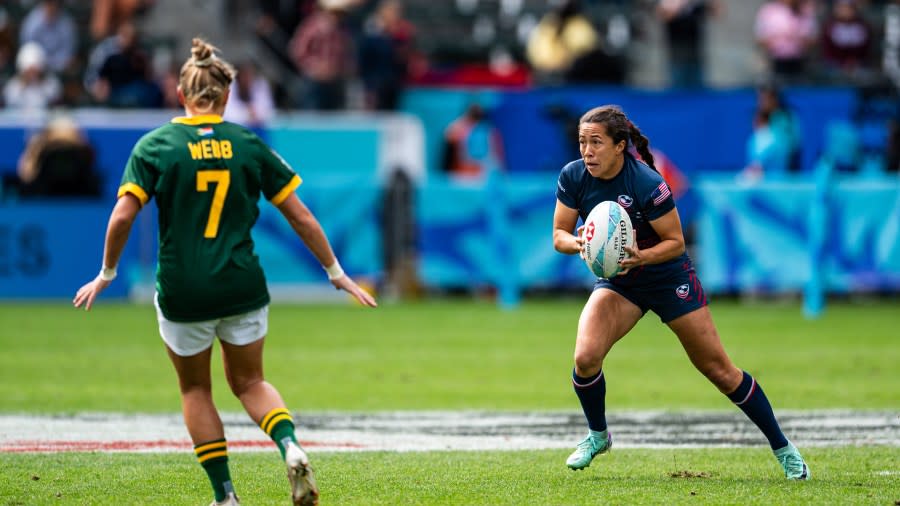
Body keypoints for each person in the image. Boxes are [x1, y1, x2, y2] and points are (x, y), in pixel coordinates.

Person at [73, 38, 377, 506]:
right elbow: (301, 216)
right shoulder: (248, 144)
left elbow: (121, 217)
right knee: (251, 382)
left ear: (180, 95)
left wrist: (107, 272)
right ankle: (289, 446)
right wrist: (335, 271)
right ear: (226, 96)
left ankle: (226, 496)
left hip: (183, 288)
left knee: (196, 387)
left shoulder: (154, 146)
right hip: (241, 284)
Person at [552, 105, 809, 480]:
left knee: (719, 370)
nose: (587, 151)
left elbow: (676, 242)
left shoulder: (646, 182)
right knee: (585, 357)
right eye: (582, 143)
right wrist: (581, 244)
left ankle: (783, 448)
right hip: (621, 281)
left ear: (620, 145)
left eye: (596, 143)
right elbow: (559, 234)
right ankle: (598, 435)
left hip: (667, 277)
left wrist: (642, 254)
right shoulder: (574, 176)